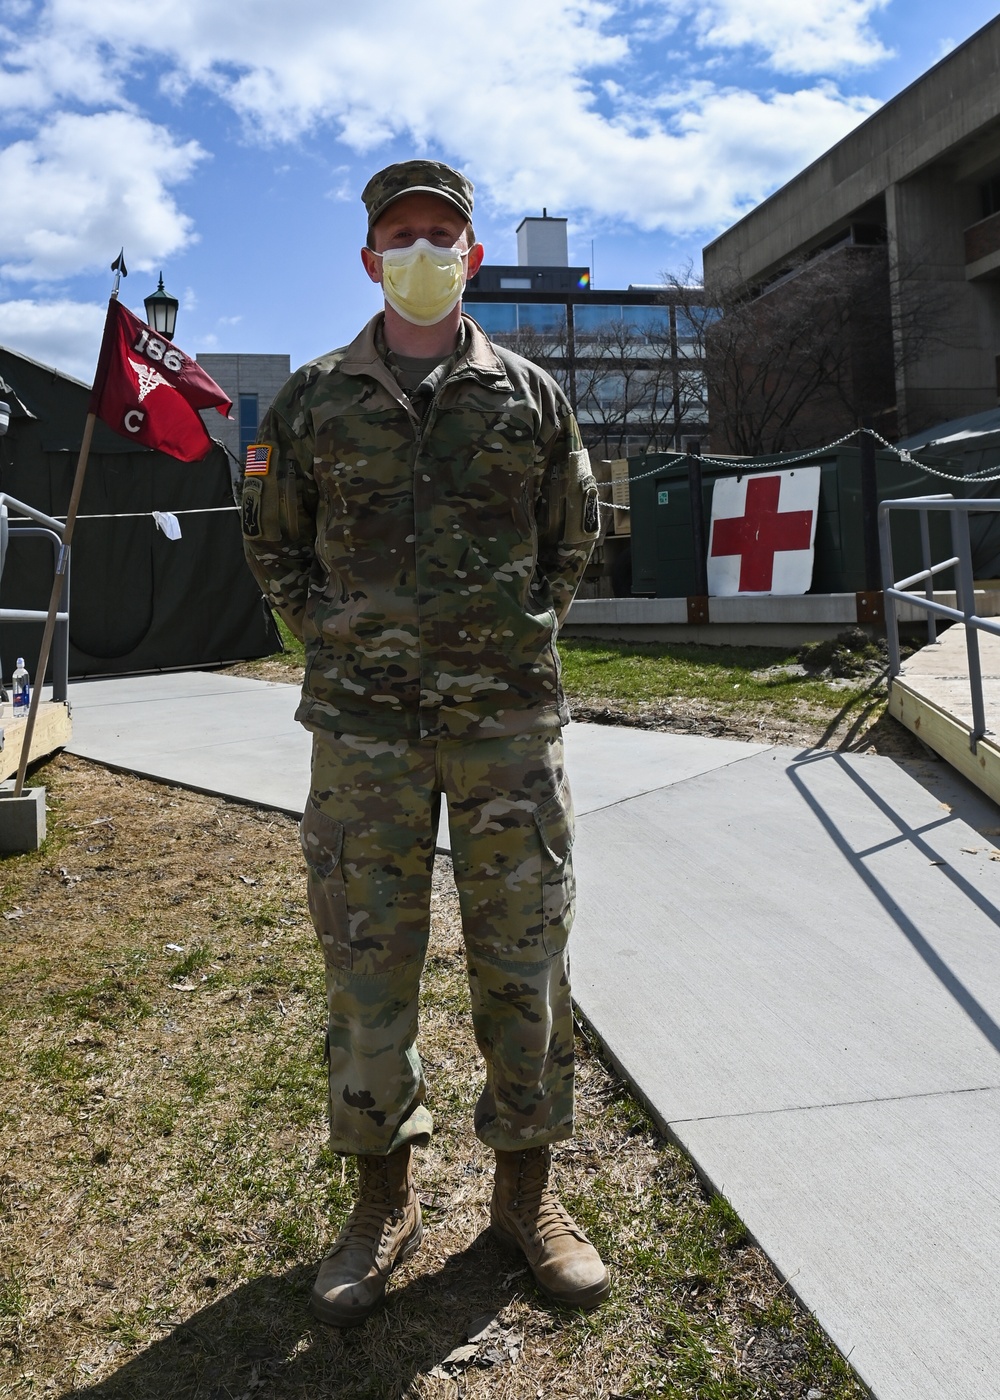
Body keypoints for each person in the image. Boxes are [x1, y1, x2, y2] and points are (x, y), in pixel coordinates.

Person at [241, 158, 608, 1326]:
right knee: (366, 967)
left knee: (527, 963)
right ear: (367, 259)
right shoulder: (308, 402)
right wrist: (337, 630)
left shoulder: (529, 396)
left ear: (472, 255)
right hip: (365, 730)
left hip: (506, 725)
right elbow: (272, 542)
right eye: (400, 233)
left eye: (440, 233)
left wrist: (520, 629)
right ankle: (381, 1199)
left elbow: (573, 532)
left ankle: (524, 1196)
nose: (420, 250)